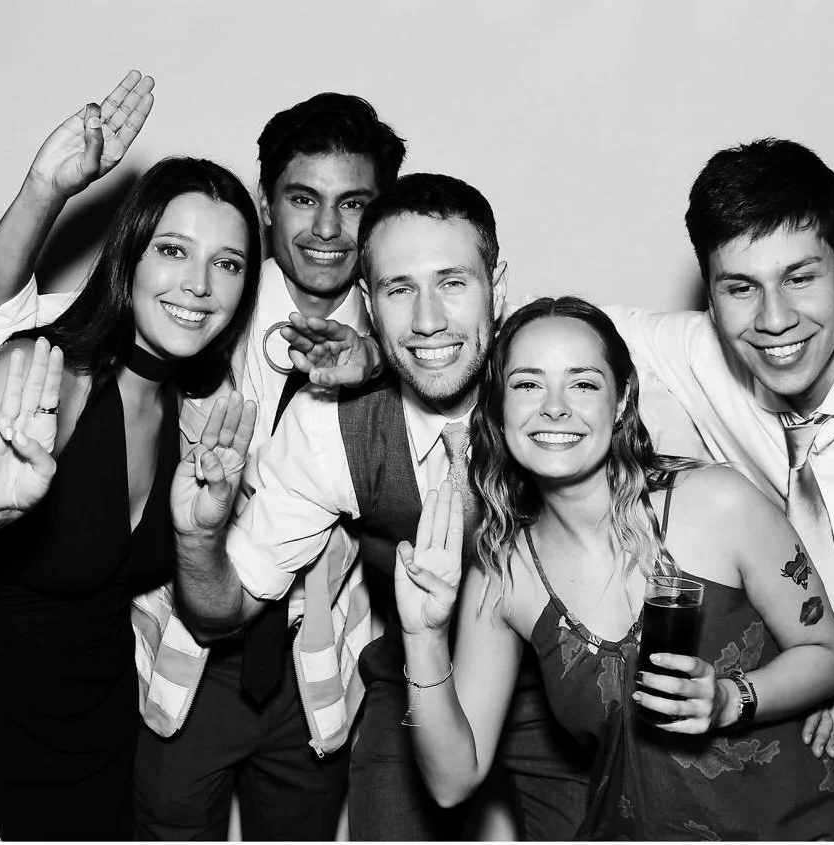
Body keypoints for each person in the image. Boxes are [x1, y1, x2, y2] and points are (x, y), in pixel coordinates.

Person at [0, 73, 407, 839]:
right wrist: (43, 191)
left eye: (354, 203)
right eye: (301, 198)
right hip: (182, 662)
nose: (327, 227)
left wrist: (381, 379)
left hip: (318, 668)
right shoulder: (197, 304)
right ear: (266, 203)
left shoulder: (407, 338)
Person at [0, 126, 262, 838]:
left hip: (87, 719)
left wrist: (199, 534)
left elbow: (208, 598)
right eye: (174, 250)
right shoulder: (41, 376)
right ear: (131, 255)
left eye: (230, 263)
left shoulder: (199, 415)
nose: (199, 284)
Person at [175, 173, 598, 840]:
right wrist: (197, 539)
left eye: (453, 282)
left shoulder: (565, 390)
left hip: (566, 691)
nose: (428, 319)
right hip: (411, 687)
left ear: (499, 285)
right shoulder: (328, 431)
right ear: (369, 303)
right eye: (401, 289)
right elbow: (222, 606)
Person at [393, 296, 834, 840]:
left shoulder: (716, 502)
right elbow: (453, 781)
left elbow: (829, 658)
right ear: (499, 409)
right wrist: (422, 635)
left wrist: (733, 698)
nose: (554, 406)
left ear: (620, 402)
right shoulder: (503, 576)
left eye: (584, 383)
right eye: (526, 384)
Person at [607, 139, 834, 841]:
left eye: (800, 277)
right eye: (740, 287)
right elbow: (546, 337)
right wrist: (377, 350)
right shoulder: (702, 356)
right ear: (711, 298)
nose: (773, 319)